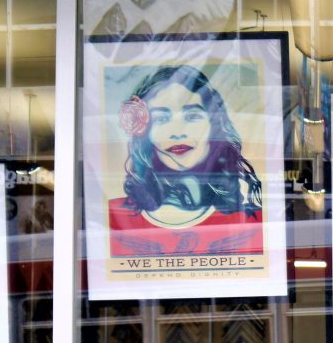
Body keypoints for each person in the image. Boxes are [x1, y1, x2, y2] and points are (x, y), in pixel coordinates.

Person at [107, 65, 264, 259]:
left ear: (214, 127)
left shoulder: (256, 222)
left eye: (192, 116)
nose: (177, 131)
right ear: (145, 134)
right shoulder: (112, 217)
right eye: (161, 119)